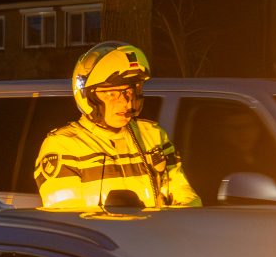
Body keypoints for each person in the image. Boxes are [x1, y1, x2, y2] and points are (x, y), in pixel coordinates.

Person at [34, 41, 200, 211]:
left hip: (154, 236)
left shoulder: (153, 136)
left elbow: (184, 194)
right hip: (105, 238)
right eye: (112, 94)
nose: (125, 102)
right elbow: (68, 219)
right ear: (88, 97)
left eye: (128, 92)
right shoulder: (64, 146)